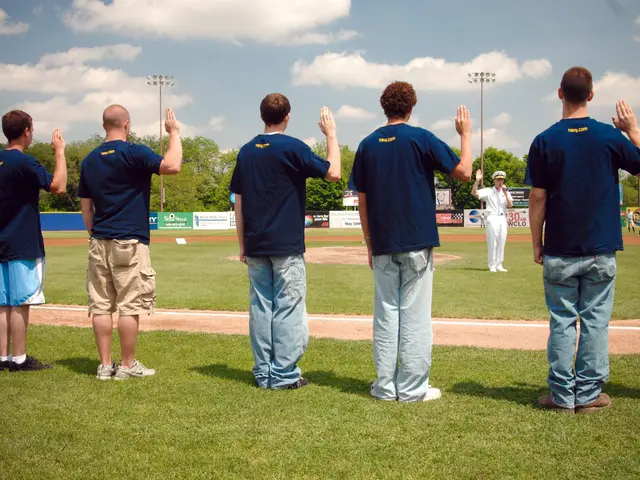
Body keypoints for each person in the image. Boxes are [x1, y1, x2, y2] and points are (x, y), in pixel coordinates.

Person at [526, 66, 640, 414]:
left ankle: (562, 396)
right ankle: (588, 395)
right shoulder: (609, 136)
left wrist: (536, 243)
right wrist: (633, 129)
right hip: (599, 249)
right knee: (595, 322)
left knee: (561, 322)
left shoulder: (544, 139)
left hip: (559, 247)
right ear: (591, 95)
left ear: (560, 93)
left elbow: (537, 198)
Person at [350, 81, 473, 403]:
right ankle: (412, 389)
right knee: (415, 317)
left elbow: (361, 200)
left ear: (384, 106)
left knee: (386, 316)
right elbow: (465, 172)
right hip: (417, 240)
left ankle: (385, 387)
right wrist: (466, 134)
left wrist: (367, 242)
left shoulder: (367, 144)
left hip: (382, 243)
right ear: (411, 106)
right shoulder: (421, 138)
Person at [230, 94, 341, 390]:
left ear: (262, 115)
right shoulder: (293, 147)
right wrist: (331, 135)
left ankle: (264, 371)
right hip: (286, 244)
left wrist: (242, 245)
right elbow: (334, 172)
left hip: (255, 243)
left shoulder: (246, 151)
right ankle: (283, 374)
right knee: (288, 307)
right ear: (287, 116)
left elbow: (238, 202)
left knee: (260, 307)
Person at [78, 105, 183, 380]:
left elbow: (86, 208)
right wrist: (174, 133)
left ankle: (104, 366)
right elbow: (172, 165)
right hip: (129, 241)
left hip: (99, 240)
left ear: (104, 126)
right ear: (127, 124)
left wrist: (94, 234)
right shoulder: (134, 152)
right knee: (129, 305)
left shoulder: (89, 160)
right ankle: (126, 365)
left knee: (100, 305)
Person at [0, 110, 67, 371]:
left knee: (2, 303)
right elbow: (58, 186)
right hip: (22, 242)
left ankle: (2, 357)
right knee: (20, 302)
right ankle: (19, 358)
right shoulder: (25, 163)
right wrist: (59, 152)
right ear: (27, 131)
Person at [472, 170, 513, 272]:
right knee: (492, 241)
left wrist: (506, 192)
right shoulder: (489, 191)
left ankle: (499, 264)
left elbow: (510, 205)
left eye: (502, 179)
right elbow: (474, 193)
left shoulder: (506, 192)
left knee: (501, 241)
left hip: (502, 218)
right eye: (498, 179)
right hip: (492, 217)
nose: (500, 181)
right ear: (494, 180)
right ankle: (492, 265)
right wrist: (477, 181)